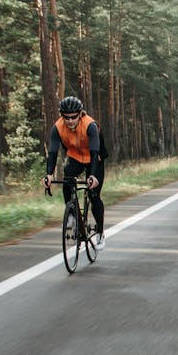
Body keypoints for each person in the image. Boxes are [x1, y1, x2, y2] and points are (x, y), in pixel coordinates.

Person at [44, 96, 107, 250]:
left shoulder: (90, 125)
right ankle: (72, 216)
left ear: (80, 114)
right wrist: (49, 174)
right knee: (67, 182)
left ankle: (99, 232)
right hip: (75, 157)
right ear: (62, 115)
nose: (70, 120)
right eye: (66, 117)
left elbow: (94, 151)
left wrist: (92, 176)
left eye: (73, 117)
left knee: (93, 194)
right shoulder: (57, 127)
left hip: (94, 158)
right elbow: (52, 152)